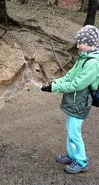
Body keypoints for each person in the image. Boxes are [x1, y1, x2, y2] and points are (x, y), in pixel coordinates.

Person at [41, 25, 99, 174]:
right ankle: (72, 155)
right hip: (72, 101)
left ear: (90, 43)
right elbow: (68, 77)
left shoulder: (93, 63)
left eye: (80, 42)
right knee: (70, 130)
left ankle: (81, 161)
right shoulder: (83, 58)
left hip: (79, 103)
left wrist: (54, 88)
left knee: (74, 133)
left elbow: (77, 84)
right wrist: (53, 83)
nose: (78, 45)